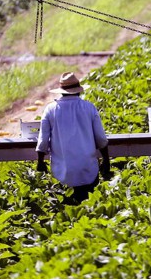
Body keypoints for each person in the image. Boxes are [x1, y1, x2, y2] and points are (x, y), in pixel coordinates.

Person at [36, 72, 110, 204]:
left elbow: (42, 141)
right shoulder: (89, 107)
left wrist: (40, 162)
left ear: (61, 91)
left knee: (66, 212)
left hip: (62, 173)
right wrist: (106, 160)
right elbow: (101, 138)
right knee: (90, 208)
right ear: (79, 91)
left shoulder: (51, 110)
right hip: (88, 169)